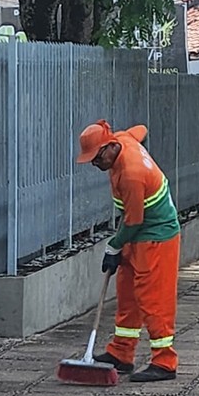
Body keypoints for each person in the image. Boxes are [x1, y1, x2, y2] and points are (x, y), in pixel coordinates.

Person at [76, 120, 180, 382]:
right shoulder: (124, 139)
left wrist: (113, 246)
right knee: (128, 293)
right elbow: (142, 128)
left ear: (111, 147)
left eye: (97, 157)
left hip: (156, 237)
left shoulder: (132, 174)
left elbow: (133, 221)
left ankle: (164, 362)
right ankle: (121, 353)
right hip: (138, 234)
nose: (94, 163)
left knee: (153, 298)